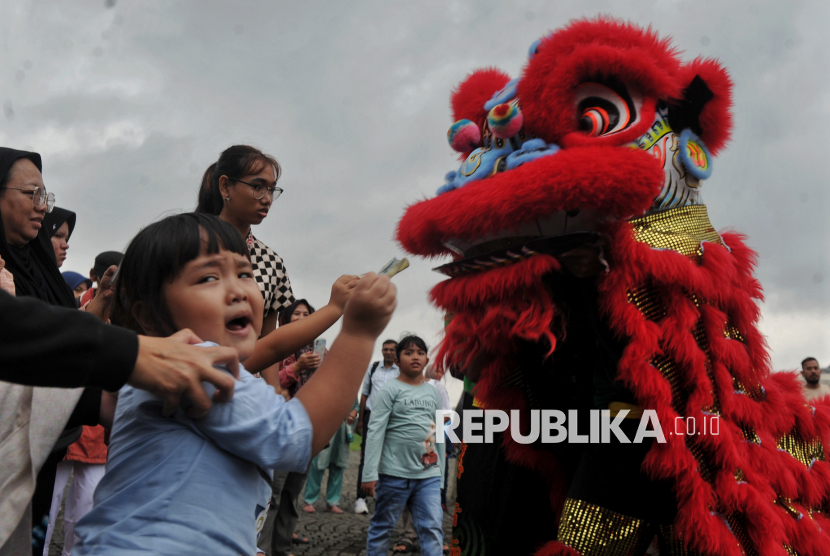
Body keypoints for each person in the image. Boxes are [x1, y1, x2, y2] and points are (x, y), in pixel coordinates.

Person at [73, 212, 396, 555]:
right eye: (209, 277)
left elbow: (270, 346)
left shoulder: (166, 367)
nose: (238, 290)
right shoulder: (194, 365)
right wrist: (359, 334)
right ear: (148, 315)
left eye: (245, 274)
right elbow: (295, 435)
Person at [196, 145, 295, 353]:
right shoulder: (189, 243)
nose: (267, 199)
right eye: (258, 187)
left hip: (248, 383)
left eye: (271, 189)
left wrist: (271, 387)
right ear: (225, 186)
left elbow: (268, 347)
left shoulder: (273, 262)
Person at [361, 336, 445, 556]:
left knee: (432, 529)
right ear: (397, 360)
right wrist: (369, 473)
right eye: (408, 353)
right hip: (393, 474)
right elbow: (375, 431)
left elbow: (439, 434)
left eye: (420, 352)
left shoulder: (433, 392)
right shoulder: (390, 390)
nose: (415, 356)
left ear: (426, 359)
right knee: (382, 527)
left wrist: (442, 476)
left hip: (428, 476)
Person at [257, 299, 321, 556]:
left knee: (292, 495)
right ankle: (260, 548)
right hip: (280, 429)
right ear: (284, 318)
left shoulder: (319, 351)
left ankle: (282, 548)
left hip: (308, 429)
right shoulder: (276, 347)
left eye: (308, 314)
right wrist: (296, 367)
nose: (302, 317)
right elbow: (266, 381)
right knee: (273, 494)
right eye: (297, 313)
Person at [355, 339, 399, 514]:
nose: (388, 352)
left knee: (389, 457)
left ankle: (384, 495)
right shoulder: (373, 368)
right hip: (371, 417)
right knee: (366, 456)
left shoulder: (401, 370)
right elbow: (364, 393)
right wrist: (360, 419)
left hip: (393, 418)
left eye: (391, 349)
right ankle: (361, 497)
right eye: (385, 349)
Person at [302, 401, 358, 514]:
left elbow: (356, 404)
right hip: (326, 424)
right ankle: (309, 500)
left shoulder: (349, 385)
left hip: (343, 427)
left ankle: (333, 502)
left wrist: (354, 411)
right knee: (318, 464)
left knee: (338, 465)